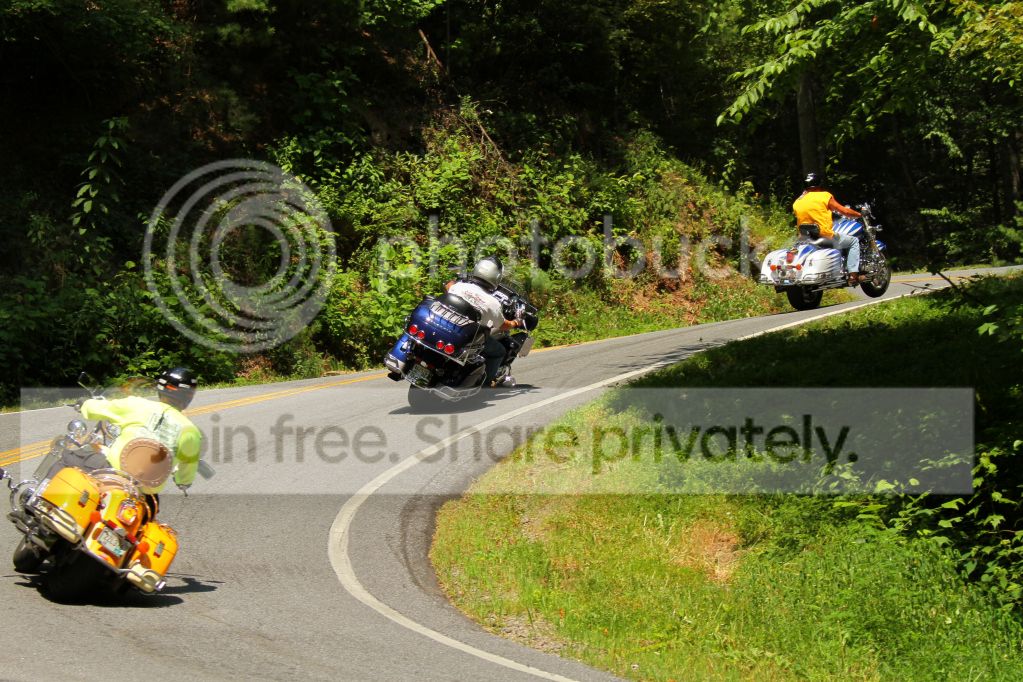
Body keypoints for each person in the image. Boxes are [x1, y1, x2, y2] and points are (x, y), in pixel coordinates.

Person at [70, 367, 202, 498]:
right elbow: (188, 467)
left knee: (69, 459)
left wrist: (84, 404)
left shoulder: (137, 405)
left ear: (161, 388)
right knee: (152, 506)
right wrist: (183, 482)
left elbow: (97, 408)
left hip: (114, 471)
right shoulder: (191, 432)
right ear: (189, 396)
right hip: (145, 491)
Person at [445, 257, 524, 387]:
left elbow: (449, 287)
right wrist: (516, 322)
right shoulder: (493, 303)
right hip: (468, 337)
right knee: (499, 352)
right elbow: (502, 325)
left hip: (448, 326)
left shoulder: (459, 287)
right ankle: (485, 386)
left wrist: (452, 282)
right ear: (496, 277)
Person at [793, 172, 864, 285]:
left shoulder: (798, 201)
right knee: (854, 241)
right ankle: (853, 275)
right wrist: (859, 214)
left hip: (805, 238)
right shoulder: (825, 196)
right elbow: (844, 211)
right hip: (825, 237)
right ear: (819, 184)